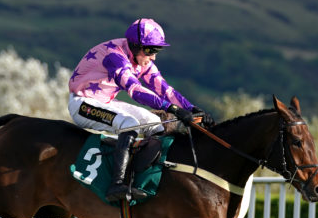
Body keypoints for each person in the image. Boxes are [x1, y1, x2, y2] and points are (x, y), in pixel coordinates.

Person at [68, 18, 212, 202]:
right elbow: (135, 90)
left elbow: (165, 89)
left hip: (106, 101)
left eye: (157, 51)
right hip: (83, 104)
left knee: (154, 124)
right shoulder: (115, 56)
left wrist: (192, 109)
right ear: (136, 46)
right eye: (151, 51)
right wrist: (173, 109)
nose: (154, 57)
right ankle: (117, 184)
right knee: (130, 124)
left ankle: (145, 180)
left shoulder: (139, 58)